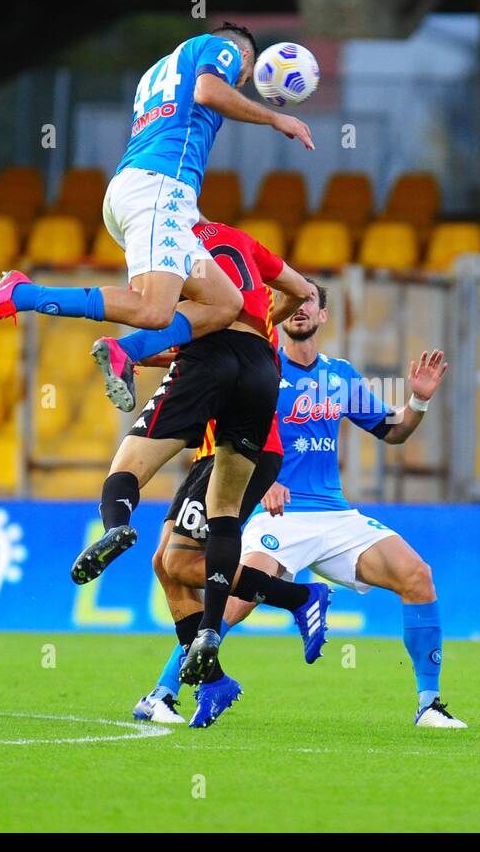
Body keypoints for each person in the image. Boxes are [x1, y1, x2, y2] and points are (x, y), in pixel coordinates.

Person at [136, 285, 467, 729]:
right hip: (272, 512)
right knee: (232, 602)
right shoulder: (257, 365)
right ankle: (161, 693)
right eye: (293, 302)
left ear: (323, 316)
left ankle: (429, 704)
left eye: (310, 301)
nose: (301, 309)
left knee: (417, 576)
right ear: (278, 313)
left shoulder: (341, 376)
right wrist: (260, 480)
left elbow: (393, 432)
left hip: (334, 514)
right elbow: (225, 428)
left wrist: (418, 401)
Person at [76, 221, 330, 728]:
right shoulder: (239, 250)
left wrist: (137, 349)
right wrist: (263, 327)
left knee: (186, 563)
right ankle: (211, 680)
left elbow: (169, 319)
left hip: (233, 438)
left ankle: (298, 597)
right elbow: (290, 292)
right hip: (220, 433)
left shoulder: (168, 248)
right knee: (165, 564)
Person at [0, 22, 315, 382]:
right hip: (158, 192)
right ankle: (22, 294)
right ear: (242, 55)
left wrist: (191, 215)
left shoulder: (155, 73)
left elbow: (170, 133)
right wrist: (274, 117)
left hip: (145, 192)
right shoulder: (219, 48)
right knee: (153, 310)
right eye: (241, 78)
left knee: (224, 303)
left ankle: (126, 351)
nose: (238, 84)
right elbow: (209, 93)